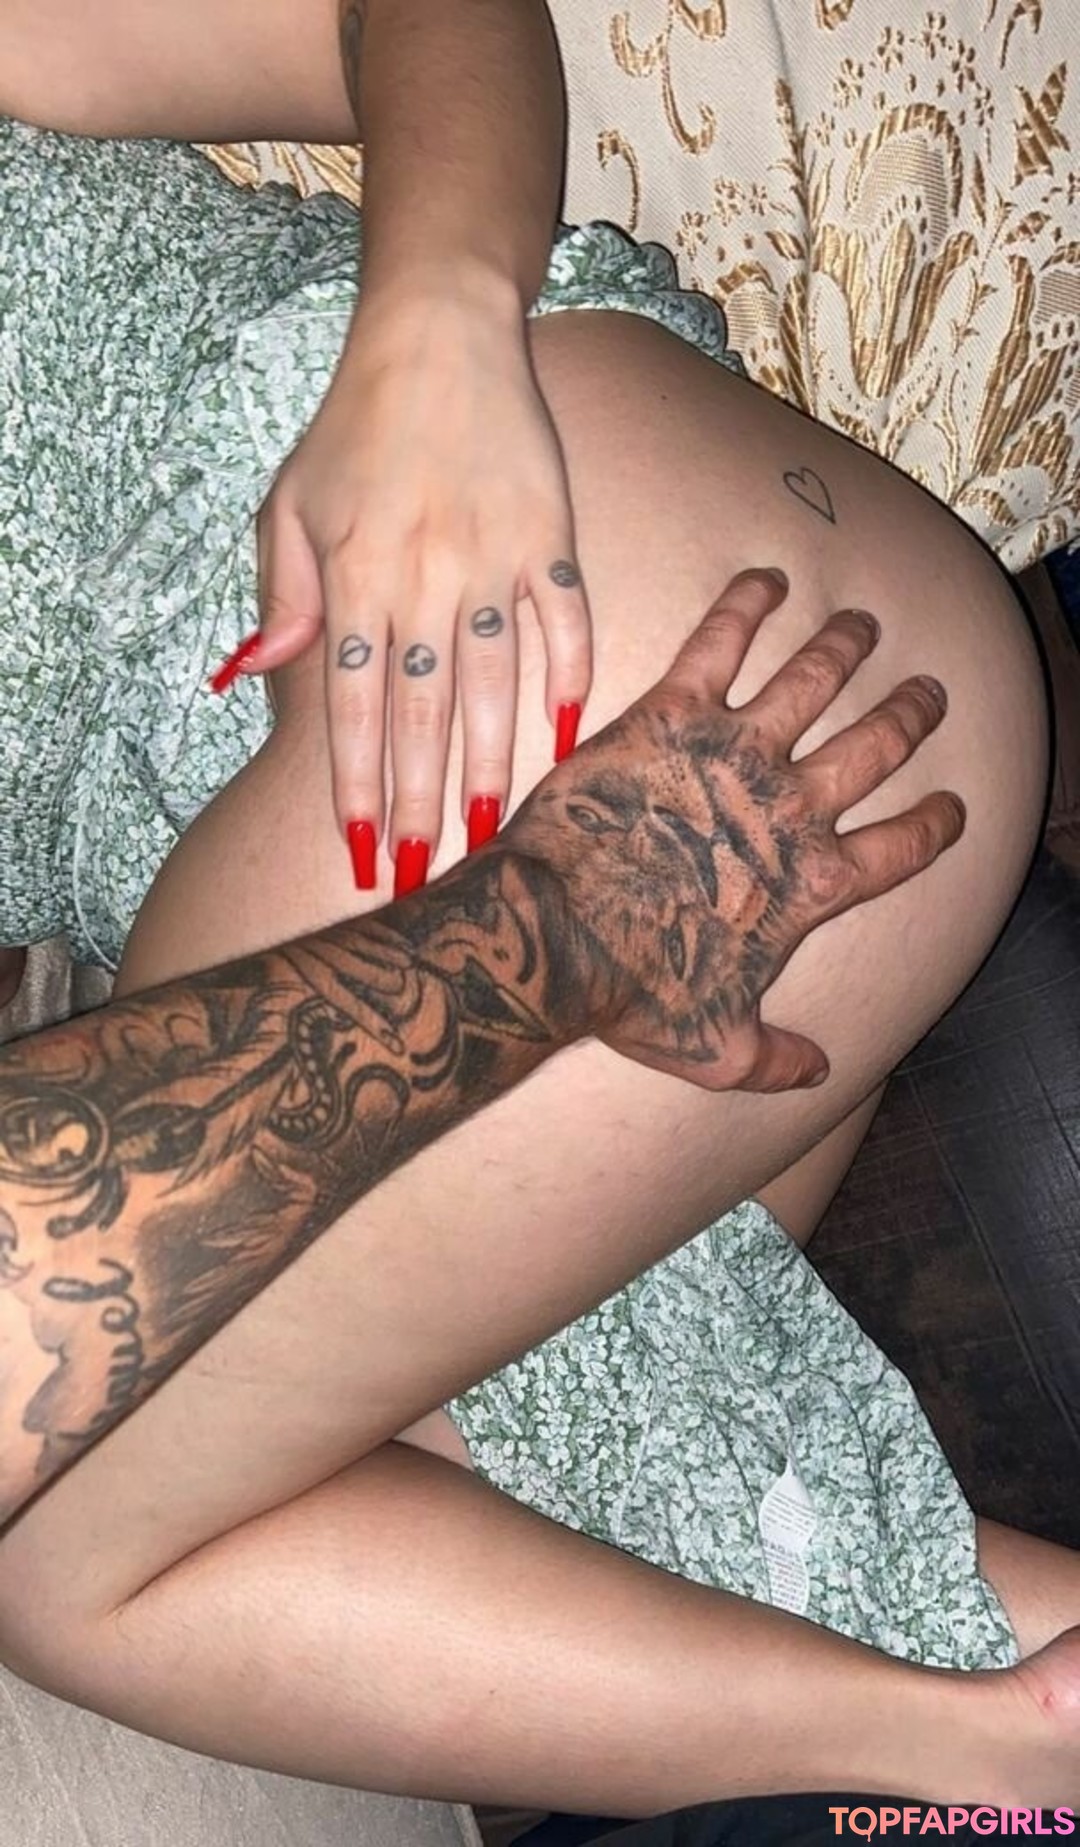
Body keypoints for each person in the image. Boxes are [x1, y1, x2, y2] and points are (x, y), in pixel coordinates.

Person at [0, 39, 1070, 1823]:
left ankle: (988, 1728)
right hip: (803, 719)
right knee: (387, 1477)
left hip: (518, 653)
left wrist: (431, 337)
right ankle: (993, 1719)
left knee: (60, 1533)